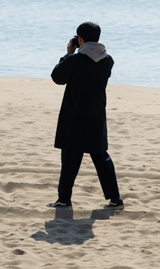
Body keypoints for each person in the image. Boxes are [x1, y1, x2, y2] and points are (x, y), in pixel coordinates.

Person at [48, 21, 123, 210]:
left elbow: (57, 77)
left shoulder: (74, 60)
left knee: (70, 159)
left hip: (74, 116)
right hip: (96, 115)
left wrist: (68, 54)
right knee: (101, 158)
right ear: (98, 38)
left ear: (80, 38)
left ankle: (64, 199)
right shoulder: (108, 60)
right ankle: (115, 199)